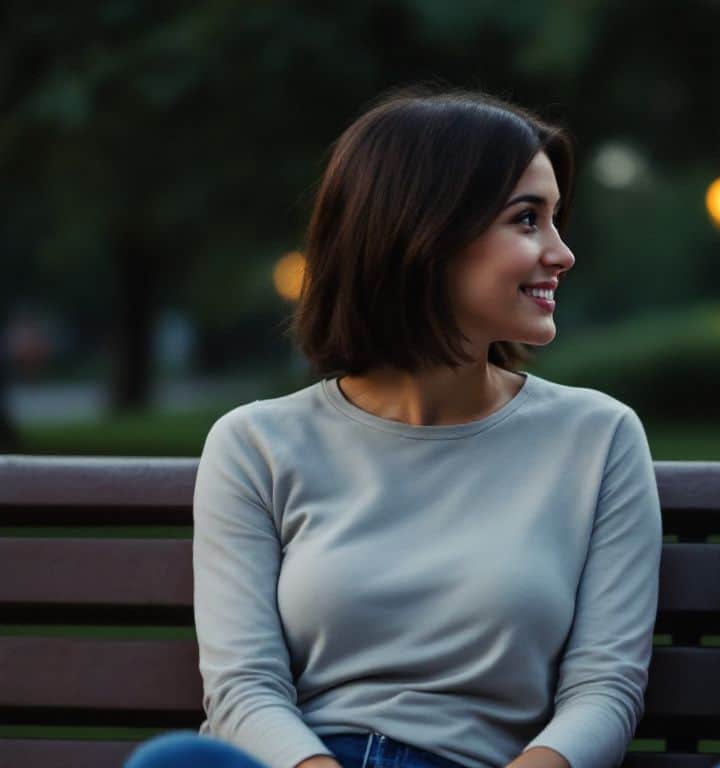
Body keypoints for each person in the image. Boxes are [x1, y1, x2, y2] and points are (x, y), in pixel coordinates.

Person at [125, 90, 662, 768]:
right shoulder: (256, 443)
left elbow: (603, 691)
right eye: (528, 220)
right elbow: (243, 690)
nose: (562, 254)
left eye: (555, 220)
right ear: (425, 235)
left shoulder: (598, 438)